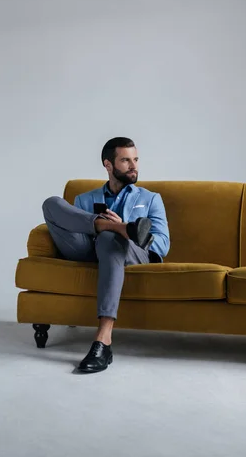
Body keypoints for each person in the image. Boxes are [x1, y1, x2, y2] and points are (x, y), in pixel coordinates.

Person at [42, 137, 170, 374]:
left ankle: (103, 340)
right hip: (89, 249)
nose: (134, 166)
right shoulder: (84, 199)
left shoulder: (150, 198)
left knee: (110, 239)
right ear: (108, 165)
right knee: (50, 203)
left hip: (132, 252)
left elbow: (162, 245)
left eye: (136, 160)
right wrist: (113, 226)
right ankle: (112, 227)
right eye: (125, 160)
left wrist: (126, 233)